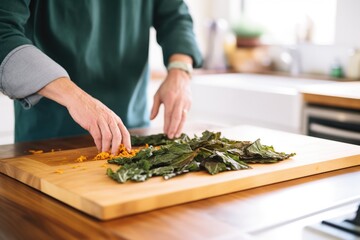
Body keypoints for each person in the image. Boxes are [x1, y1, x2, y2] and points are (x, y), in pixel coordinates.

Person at [0, 0, 202, 154]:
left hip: (134, 134)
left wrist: (179, 71)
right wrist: (75, 98)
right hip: (47, 138)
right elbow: (3, 31)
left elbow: (175, 16)